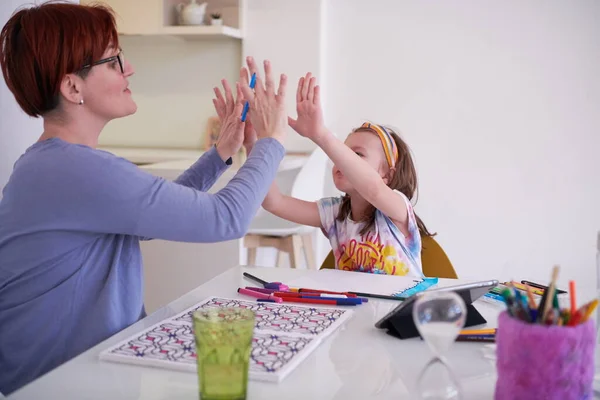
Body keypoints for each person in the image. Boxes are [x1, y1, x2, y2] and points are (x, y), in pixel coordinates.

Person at [0, 2, 288, 395]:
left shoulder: (53, 166)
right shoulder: (76, 171)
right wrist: (270, 141)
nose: (129, 68)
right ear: (72, 87)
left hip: (89, 373)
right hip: (63, 387)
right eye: (114, 60)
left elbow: (153, 214)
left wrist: (221, 153)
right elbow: (227, 218)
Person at [262, 73, 434, 277]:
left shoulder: (397, 209)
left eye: (357, 155)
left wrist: (320, 134)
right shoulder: (334, 213)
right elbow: (274, 202)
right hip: (355, 309)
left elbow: (374, 190)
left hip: (401, 308)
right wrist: (260, 141)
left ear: (386, 174)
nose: (342, 159)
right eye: (342, 152)